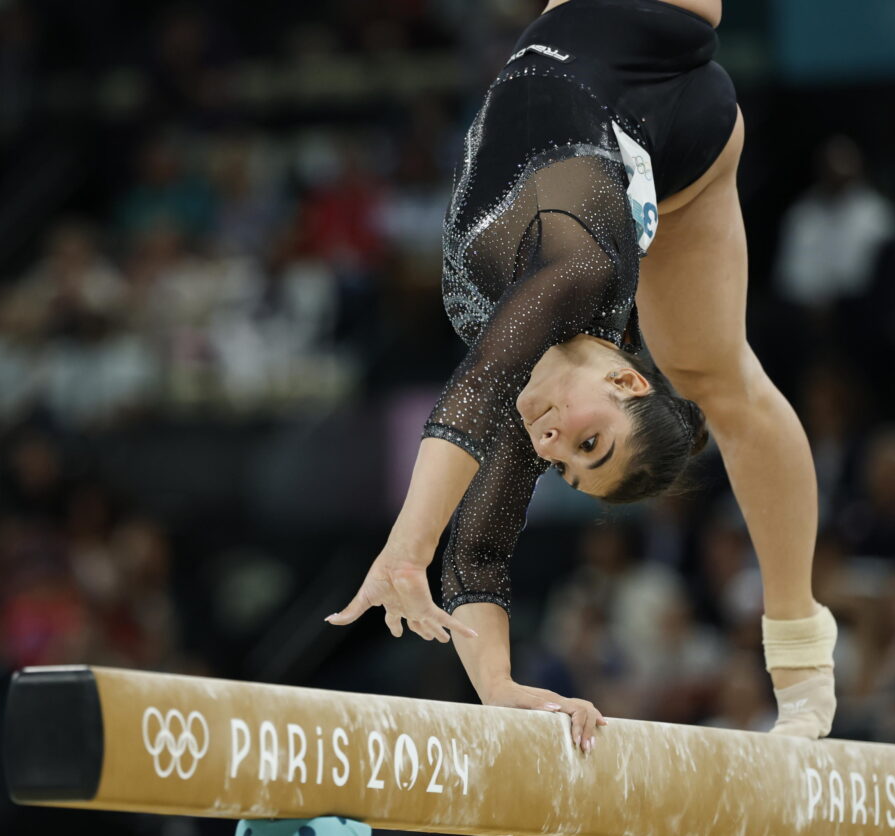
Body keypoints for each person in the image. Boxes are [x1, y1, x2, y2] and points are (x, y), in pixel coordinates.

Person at [327, 0, 838, 747]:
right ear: (627, 381)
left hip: (667, 143)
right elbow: (473, 387)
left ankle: (799, 658)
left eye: (565, 467)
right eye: (588, 444)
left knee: (715, 373)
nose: (552, 445)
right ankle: (804, 660)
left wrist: (498, 690)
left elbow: (480, 554)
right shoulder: (578, 268)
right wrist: (407, 548)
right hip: (650, 19)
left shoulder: (526, 389)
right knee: (711, 379)